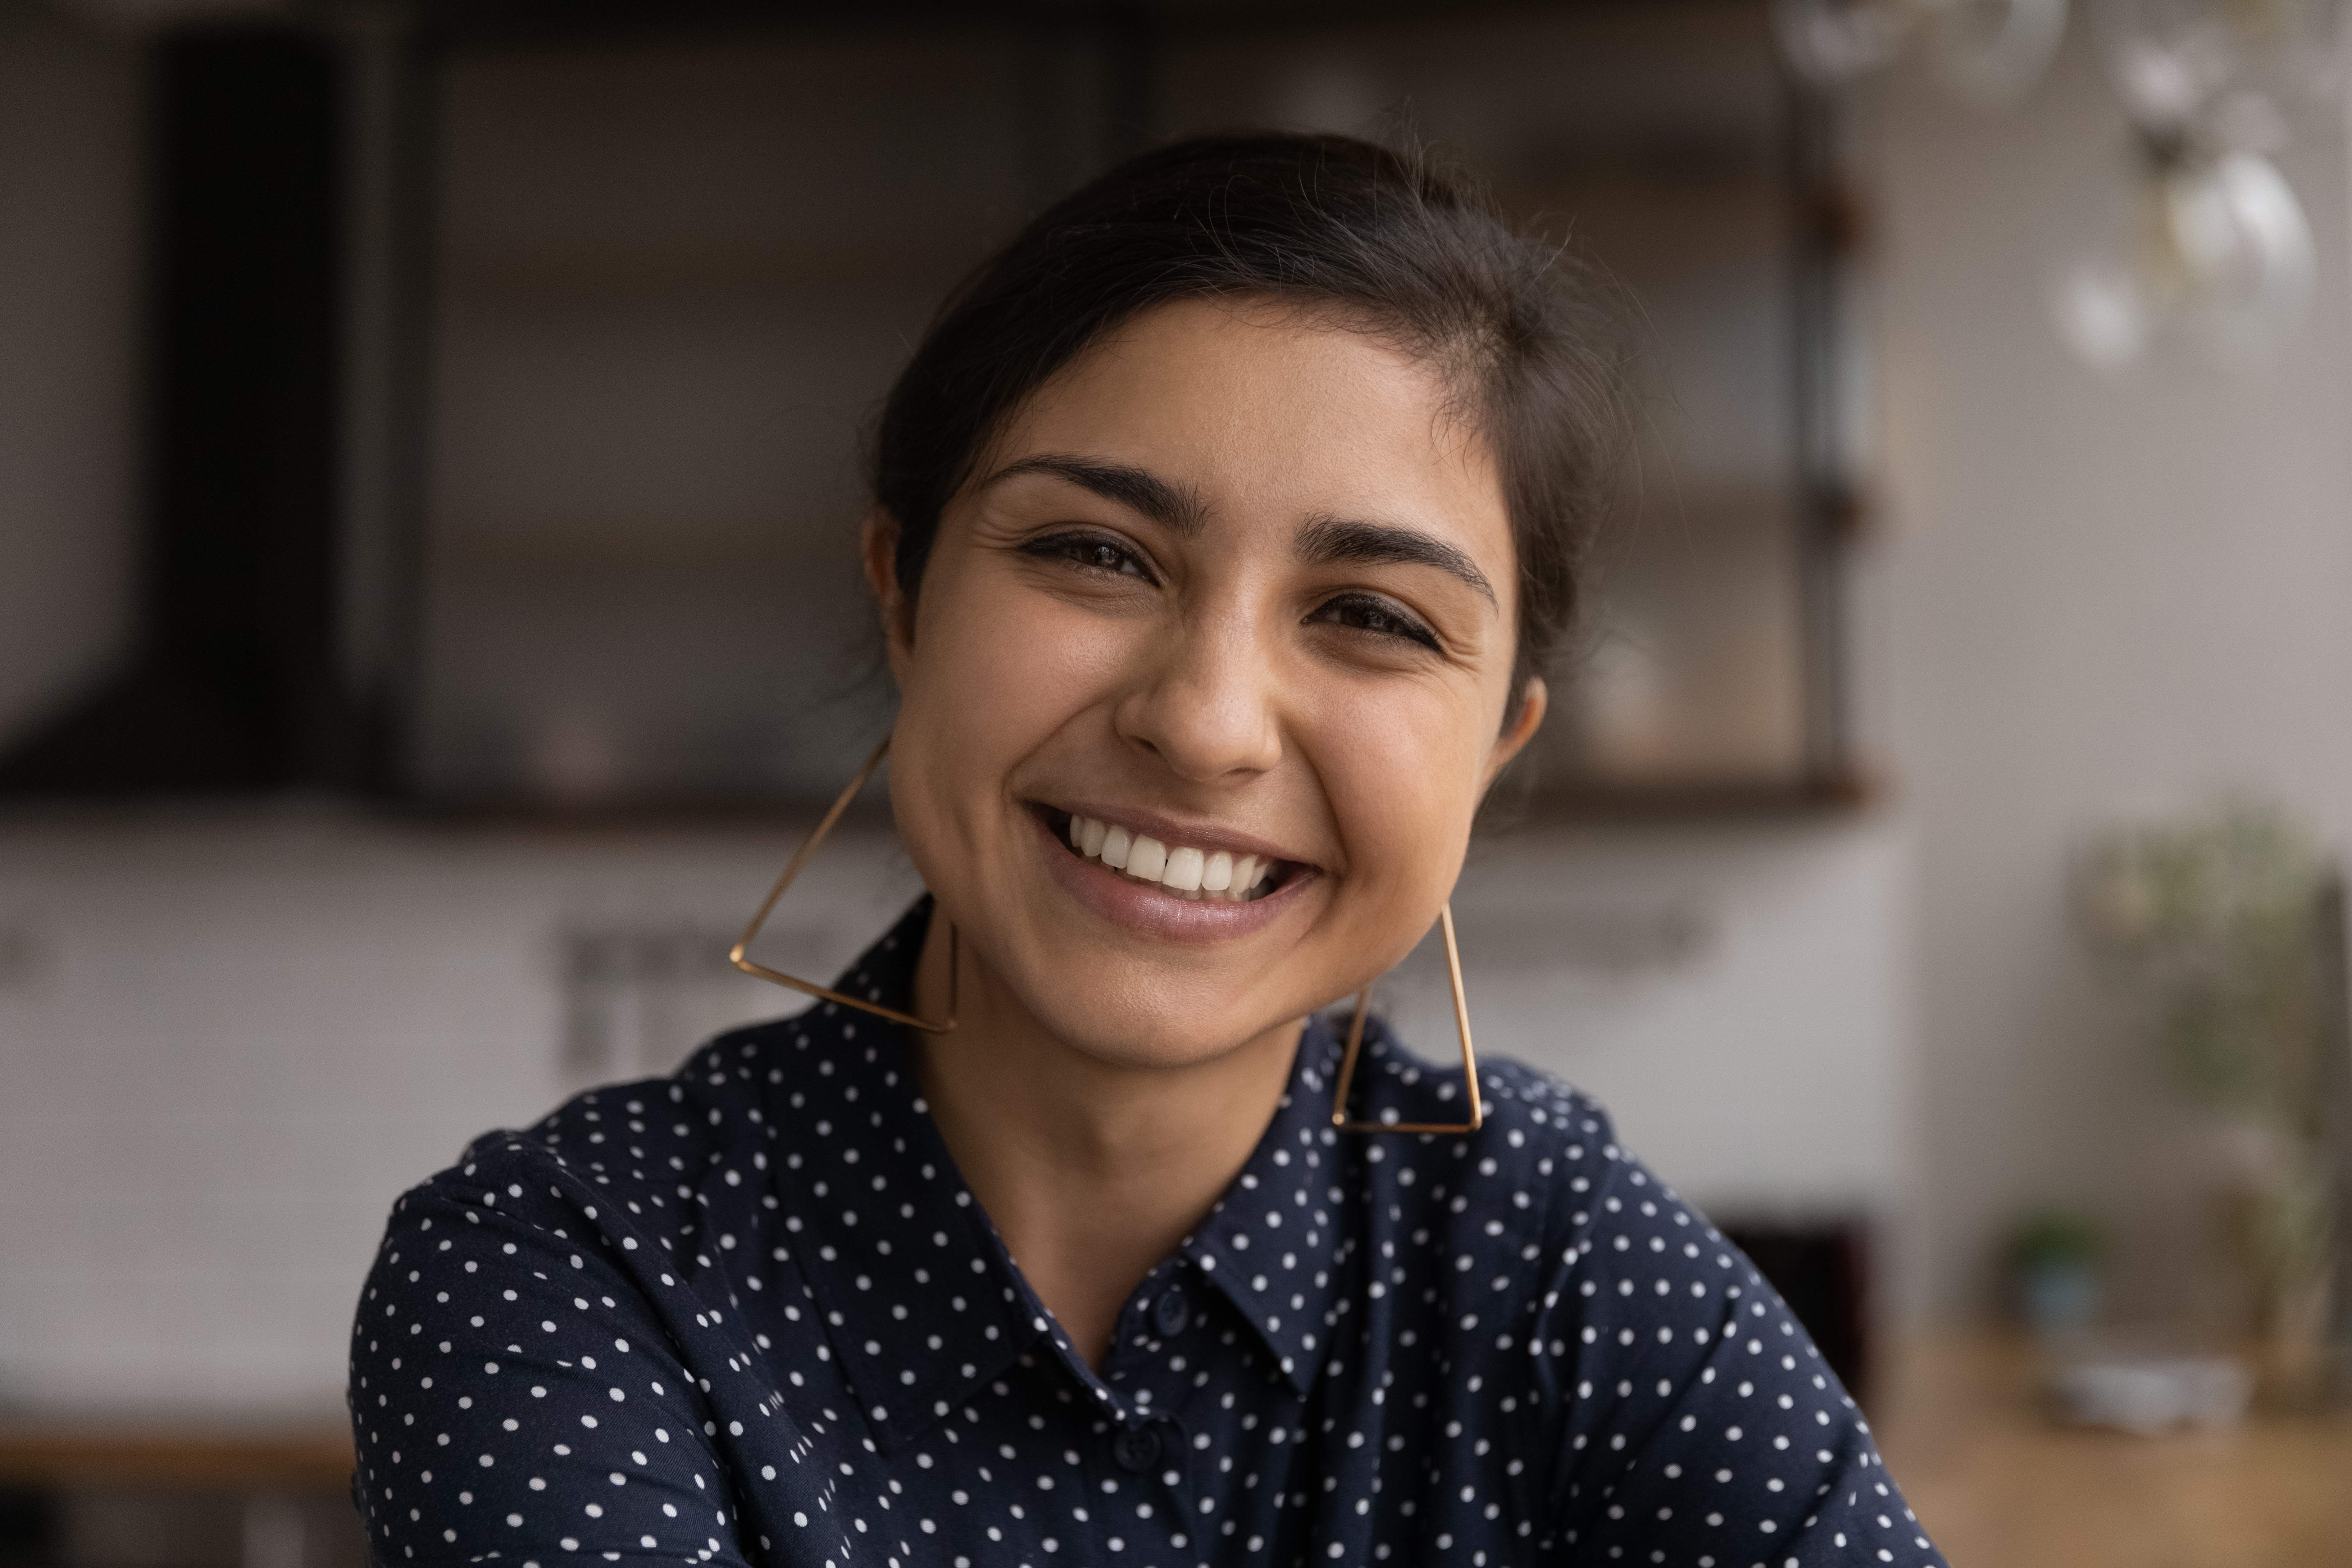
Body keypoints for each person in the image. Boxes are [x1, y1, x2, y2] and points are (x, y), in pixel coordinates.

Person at [349, 131, 1946, 1567]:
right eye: (1097, 553)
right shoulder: (568, 1279)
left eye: (1374, 619)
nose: (1207, 721)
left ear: (1496, 750)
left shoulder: (1564, 1269)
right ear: (904, 598)